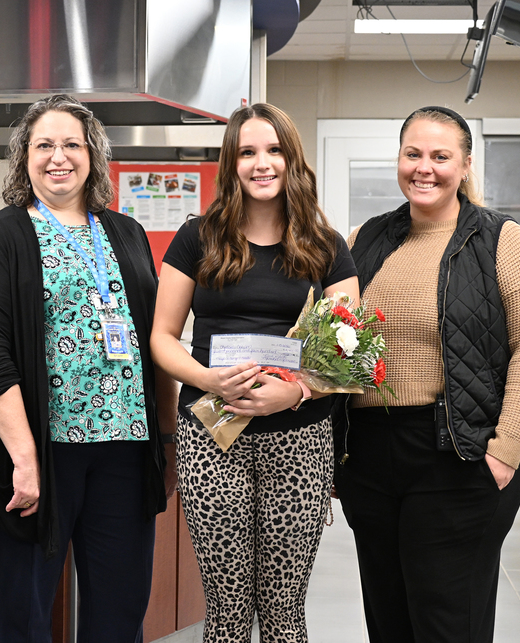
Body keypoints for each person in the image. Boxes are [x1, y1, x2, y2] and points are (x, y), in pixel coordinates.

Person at [335, 106, 520, 643]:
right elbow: (331, 339)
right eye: (413, 154)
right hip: (371, 456)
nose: (425, 168)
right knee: (388, 618)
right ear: (399, 158)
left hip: (457, 455)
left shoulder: (501, 240)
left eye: (441, 156)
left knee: (446, 622)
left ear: (464, 165)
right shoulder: (364, 238)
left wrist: (505, 452)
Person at [0, 94, 177, 642]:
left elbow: (156, 339)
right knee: (24, 612)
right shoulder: (0, 236)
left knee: (119, 609)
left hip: (125, 453)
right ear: (23, 157)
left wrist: (167, 441)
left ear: (93, 155)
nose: (59, 157)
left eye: (72, 144)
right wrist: (23, 458)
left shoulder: (124, 233)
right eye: (44, 145)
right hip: (41, 456)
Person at [150, 103, 358, 642]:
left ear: (292, 160)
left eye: (273, 150)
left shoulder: (326, 247)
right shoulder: (198, 237)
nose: (261, 163)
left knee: (285, 610)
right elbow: (161, 339)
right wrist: (209, 379)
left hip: (299, 439)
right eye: (247, 152)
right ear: (231, 163)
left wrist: (291, 395)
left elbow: (352, 354)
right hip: (213, 436)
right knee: (226, 610)